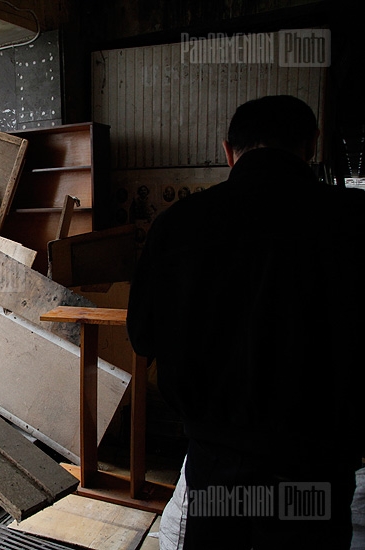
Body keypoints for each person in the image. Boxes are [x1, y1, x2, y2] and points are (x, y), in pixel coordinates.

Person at [126, 95, 365, 549]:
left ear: (227, 150)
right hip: (315, 470)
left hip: (219, 469)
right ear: (311, 145)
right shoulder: (353, 221)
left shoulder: (179, 225)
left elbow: (143, 337)